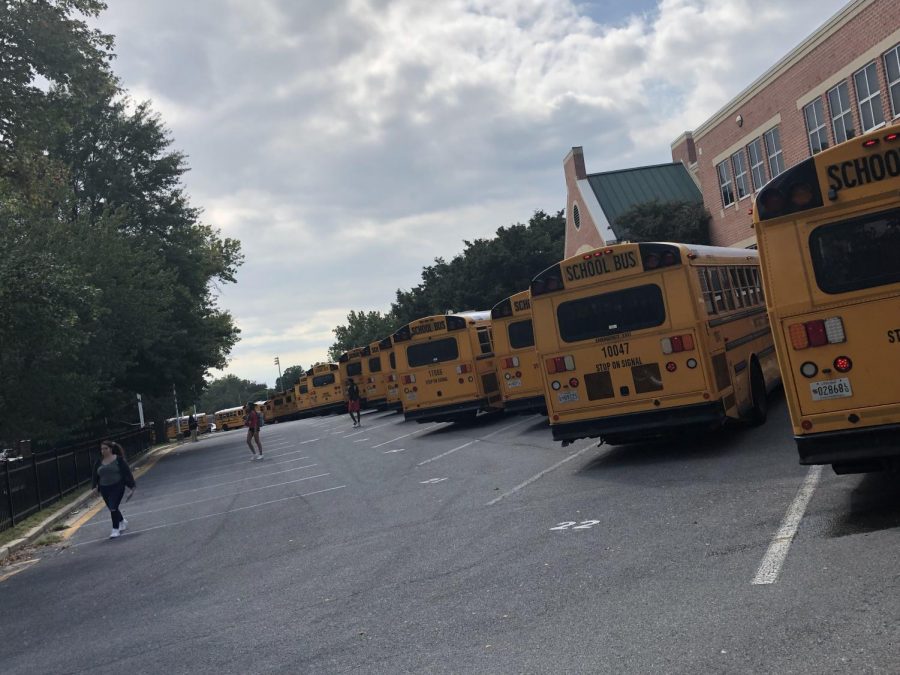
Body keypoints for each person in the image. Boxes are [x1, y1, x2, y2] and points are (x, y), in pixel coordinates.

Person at [91, 440, 136, 539]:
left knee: (113, 507)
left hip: (117, 486)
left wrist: (132, 488)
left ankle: (115, 529)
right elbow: (95, 475)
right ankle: (121, 521)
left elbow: (127, 473)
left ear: (110, 449)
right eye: (102, 449)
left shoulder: (119, 460)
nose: (103, 451)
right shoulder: (99, 461)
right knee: (112, 507)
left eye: (105, 448)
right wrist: (94, 487)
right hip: (104, 488)